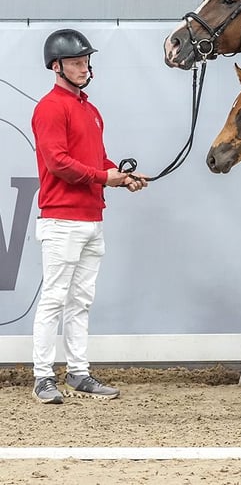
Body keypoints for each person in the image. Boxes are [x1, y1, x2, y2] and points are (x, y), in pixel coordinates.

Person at [30, 29, 148, 404]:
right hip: (62, 218)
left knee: (80, 300)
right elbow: (58, 163)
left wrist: (121, 177)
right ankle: (42, 376)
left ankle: (78, 372)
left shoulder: (89, 109)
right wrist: (103, 177)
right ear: (57, 66)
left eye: (85, 62)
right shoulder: (50, 107)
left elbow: (97, 160)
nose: (84, 68)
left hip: (91, 219)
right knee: (54, 298)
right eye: (77, 63)